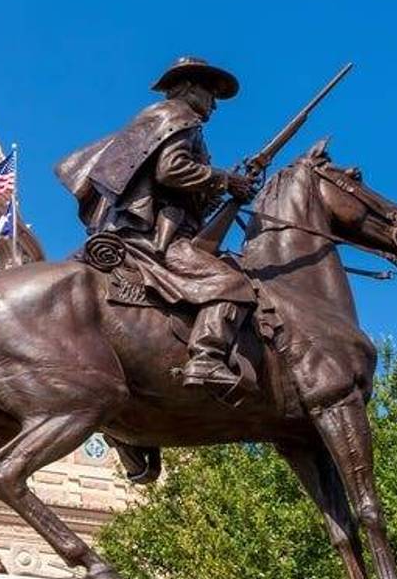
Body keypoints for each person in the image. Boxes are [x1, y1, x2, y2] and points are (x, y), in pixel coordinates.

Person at [55, 57, 258, 400]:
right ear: (189, 87)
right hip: (150, 235)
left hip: (148, 227)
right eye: (210, 93)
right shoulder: (179, 116)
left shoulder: (163, 119)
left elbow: (179, 191)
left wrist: (226, 191)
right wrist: (225, 179)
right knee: (232, 283)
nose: (214, 104)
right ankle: (206, 357)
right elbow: (170, 170)